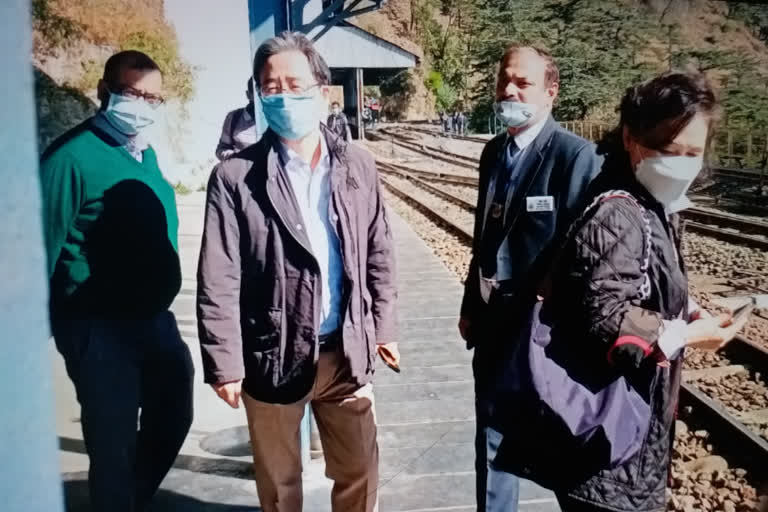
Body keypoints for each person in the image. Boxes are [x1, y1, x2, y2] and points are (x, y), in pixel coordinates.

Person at [196, 31, 399, 512]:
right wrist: (224, 361)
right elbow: (218, 277)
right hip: (272, 351)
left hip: (344, 350)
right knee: (279, 485)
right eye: (271, 87)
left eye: (294, 84)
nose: (282, 96)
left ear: (324, 92)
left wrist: (383, 327)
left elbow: (379, 251)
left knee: (360, 473)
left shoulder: (357, 165)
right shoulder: (236, 177)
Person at [541, 71, 747, 512]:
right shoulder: (620, 213)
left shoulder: (655, 204)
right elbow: (607, 318)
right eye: (673, 151)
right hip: (605, 445)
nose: (686, 165)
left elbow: (644, 280)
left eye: (696, 153)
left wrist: (688, 310)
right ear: (633, 140)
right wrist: (690, 336)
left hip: (625, 435)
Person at [39, 50, 194, 512]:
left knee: (174, 412)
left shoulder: (143, 154)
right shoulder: (69, 159)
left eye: (153, 98)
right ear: (104, 92)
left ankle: (130, 499)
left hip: (154, 320)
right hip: (98, 327)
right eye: (132, 93)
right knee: (113, 443)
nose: (143, 105)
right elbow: (40, 248)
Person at [458, 45, 603, 512]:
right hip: (492, 321)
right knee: (491, 438)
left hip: (543, 332)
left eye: (523, 82)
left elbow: (582, 251)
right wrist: (469, 305)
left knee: (557, 438)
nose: (509, 89)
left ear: (551, 92)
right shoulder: (492, 152)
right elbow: (484, 234)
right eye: (504, 79)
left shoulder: (575, 157)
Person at [216, 77, 259, 160]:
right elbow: (221, 149)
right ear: (248, 95)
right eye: (257, 94)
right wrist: (238, 158)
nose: (261, 97)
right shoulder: (233, 118)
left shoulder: (276, 119)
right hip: (242, 171)